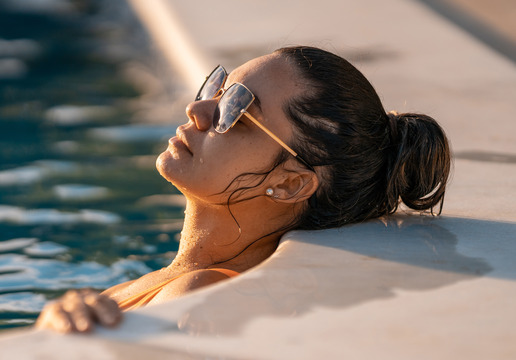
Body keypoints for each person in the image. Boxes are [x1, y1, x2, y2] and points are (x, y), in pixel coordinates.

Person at [36, 45, 451, 333]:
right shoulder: (177, 280)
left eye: (235, 112)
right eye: (218, 89)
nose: (197, 110)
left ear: (289, 183)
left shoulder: (197, 293)